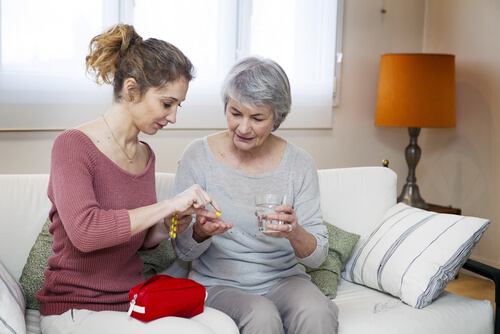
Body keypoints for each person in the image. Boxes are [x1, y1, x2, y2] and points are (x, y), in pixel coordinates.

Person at [36, 23, 237, 334]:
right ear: (132, 90)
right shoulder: (72, 145)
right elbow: (86, 233)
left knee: (224, 325)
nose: (173, 117)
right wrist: (169, 203)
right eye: (167, 104)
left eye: (177, 106)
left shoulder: (145, 154)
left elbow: (140, 240)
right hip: (76, 308)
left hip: (131, 301)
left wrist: (172, 223)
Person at [172, 56, 339, 334]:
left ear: (277, 118)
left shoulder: (299, 164)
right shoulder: (197, 156)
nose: (243, 127)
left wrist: (295, 232)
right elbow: (181, 248)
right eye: (235, 113)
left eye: (257, 118)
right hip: (219, 283)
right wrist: (201, 232)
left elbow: (317, 257)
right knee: (261, 315)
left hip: (285, 280)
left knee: (317, 311)